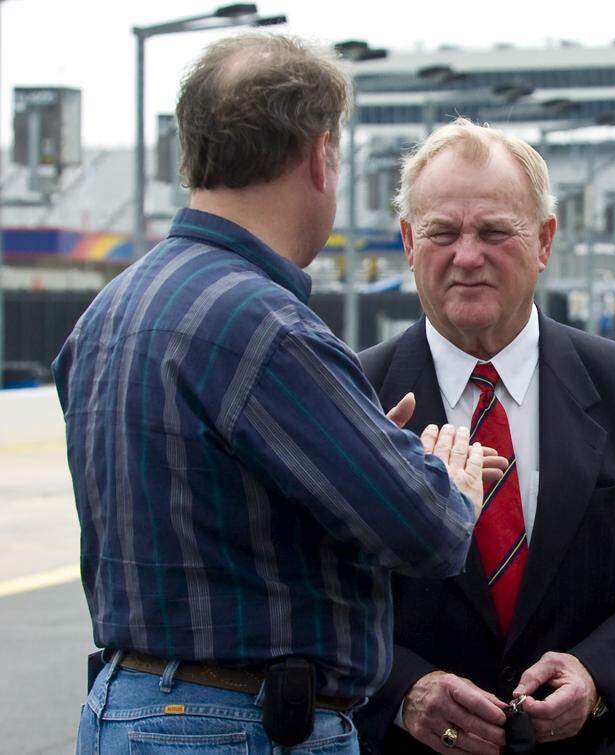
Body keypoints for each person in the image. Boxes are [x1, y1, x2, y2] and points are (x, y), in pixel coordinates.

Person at [53, 36, 501, 754]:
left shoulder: (109, 310)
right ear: (320, 155)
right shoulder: (262, 326)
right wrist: (441, 479)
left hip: (125, 706)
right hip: (237, 724)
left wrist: (344, 451)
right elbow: (428, 531)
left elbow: (193, 510)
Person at [355, 118, 615, 754]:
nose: (467, 256)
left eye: (496, 232)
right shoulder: (353, 397)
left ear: (545, 242)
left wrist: (597, 677)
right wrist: (403, 690)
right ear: (408, 243)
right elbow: (298, 598)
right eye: (442, 233)